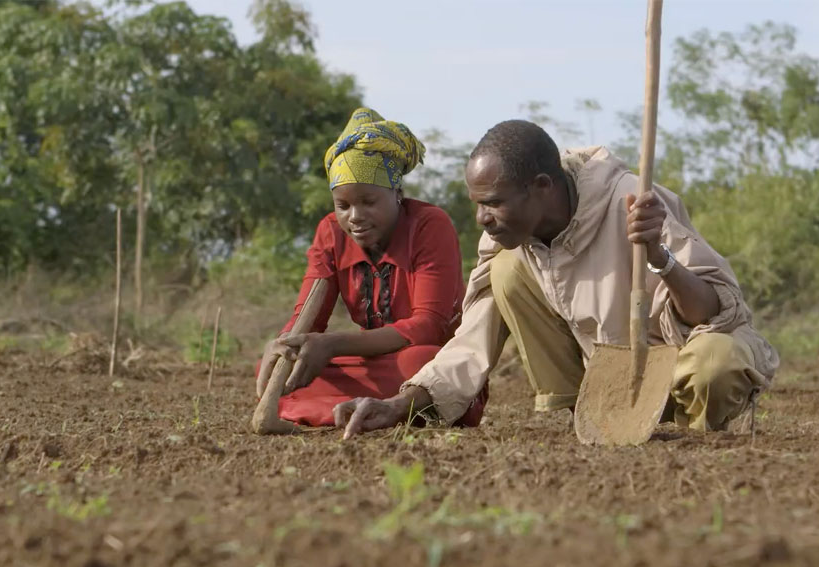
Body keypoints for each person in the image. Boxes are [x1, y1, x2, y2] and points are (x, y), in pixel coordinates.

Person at [334, 119, 779, 437]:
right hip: (613, 379)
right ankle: (583, 416)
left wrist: (660, 256)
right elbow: (473, 340)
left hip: (679, 360)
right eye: (476, 203)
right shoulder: (511, 240)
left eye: (492, 202)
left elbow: (711, 312)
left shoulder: (631, 202)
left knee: (715, 364)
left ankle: (695, 435)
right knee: (507, 272)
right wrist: (399, 405)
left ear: (542, 187)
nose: (481, 218)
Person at [255, 107, 486, 427]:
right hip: (372, 364)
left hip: (430, 365)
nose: (355, 217)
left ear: (397, 194)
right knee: (273, 366)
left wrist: (334, 344)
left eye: (369, 202)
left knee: (423, 359)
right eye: (344, 205)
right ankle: (354, 411)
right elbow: (306, 319)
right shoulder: (330, 232)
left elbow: (427, 327)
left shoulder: (429, 225)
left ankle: (342, 410)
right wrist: (284, 345)